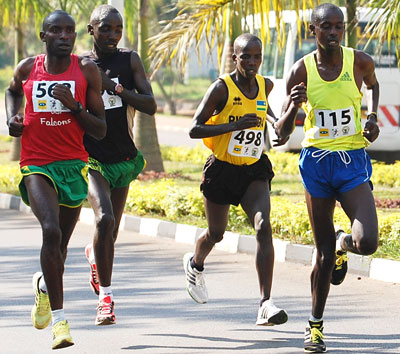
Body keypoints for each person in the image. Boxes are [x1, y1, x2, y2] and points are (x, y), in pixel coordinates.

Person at [275, 3, 380, 353]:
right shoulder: (300, 71)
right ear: (313, 31)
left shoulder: (360, 61)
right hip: (317, 163)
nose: (333, 33)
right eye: (326, 27)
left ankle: (343, 243)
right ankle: (315, 326)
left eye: (339, 27)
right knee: (321, 254)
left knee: (367, 242)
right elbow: (280, 132)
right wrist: (292, 106)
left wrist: (373, 117)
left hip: (352, 160)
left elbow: (374, 85)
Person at [183, 33, 304, 325]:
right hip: (222, 170)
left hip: (253, 169)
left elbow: (271, 119)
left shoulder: (266, 85)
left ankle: (265, 304)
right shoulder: (220, 88)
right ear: (234, 58)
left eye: (256, 56)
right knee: (216, 233)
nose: (251, 62)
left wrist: (285, 116)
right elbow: (194, 129)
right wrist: (233, 125)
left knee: (263, 226)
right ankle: (195, 264)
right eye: (245, 56)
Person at [5, 10, 106, 350]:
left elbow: (100, 129)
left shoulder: (87, 71)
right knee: (51, 230)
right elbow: (12, 92)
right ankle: (60, 323)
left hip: (73, 165)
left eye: (70, 31)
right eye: (56, 30)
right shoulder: (27, 68)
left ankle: (44, 288)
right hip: (36, 164)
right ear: (43, 35)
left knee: (59, 249)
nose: (64, 36)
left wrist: (74, 106)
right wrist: (12, 120)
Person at [82, 4, 157, 326]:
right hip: (90, 157)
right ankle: (106, 300)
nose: (112, 35)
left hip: (124, 157)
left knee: (109, 234)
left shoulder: (130, 60)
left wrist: (115, 87)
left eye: (117, 29)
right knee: (104, 220)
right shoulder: (81, 65)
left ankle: (94, 256)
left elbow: (150, 104)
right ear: (91, 30)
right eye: (105, 28)